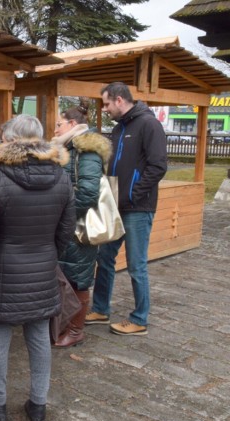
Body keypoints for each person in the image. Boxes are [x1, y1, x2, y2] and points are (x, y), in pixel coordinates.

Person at [0, 115, 75, 421]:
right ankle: (38, 406)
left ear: (11, 139)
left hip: (2, 269)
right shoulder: (62, 176)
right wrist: (49, 255)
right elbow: (66, 230)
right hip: (43, 267)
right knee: (39, 338)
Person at [86, 82, 167, 336]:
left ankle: (140, 318)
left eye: (107, 104)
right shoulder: (120, 128)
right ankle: (100, 309)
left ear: (120, 100)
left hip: (137, 208)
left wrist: (132, 194)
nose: (106, 108)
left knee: (136, 265)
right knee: (104, 258)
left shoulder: (149, 125)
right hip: (115, 206)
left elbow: (158, 166)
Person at [51, 98, 112, 348]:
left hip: (80, 228)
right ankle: (64, 325)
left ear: (73, 124)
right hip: (67, 227)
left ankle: (76, 330)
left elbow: (88, 193)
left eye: (59, 124)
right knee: (66, 276)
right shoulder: (69, 148)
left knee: (78, 279)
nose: (55, 129)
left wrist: (61, 212)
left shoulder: (86, 149)